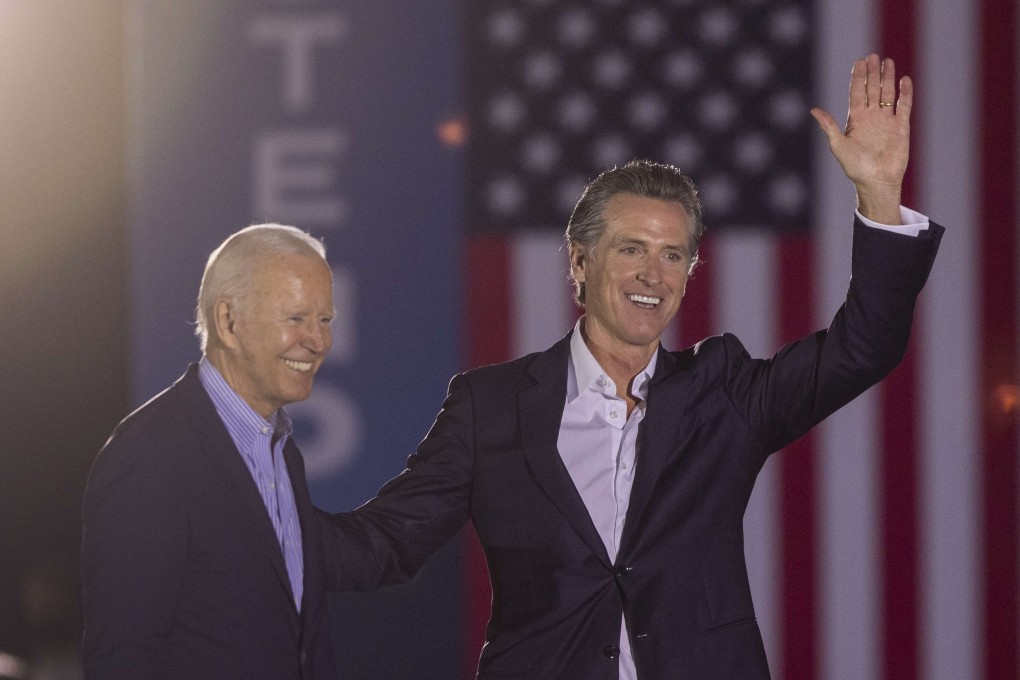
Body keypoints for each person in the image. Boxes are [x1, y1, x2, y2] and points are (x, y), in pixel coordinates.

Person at [322, 54, 944, 678]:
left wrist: (880, 193)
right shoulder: (491, 406)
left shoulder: (722, 391)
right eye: (631, 249)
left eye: (674, 256)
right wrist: (256, 521)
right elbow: (387, 542)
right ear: (580, 261)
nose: (654, 275)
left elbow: (865, 346)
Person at [82, 225, 345, 680]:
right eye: (296, 318)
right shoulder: (150, 455)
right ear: (228, 322)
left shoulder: (280, 449)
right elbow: (123, 660)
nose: (318, 342)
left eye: (324, 320)